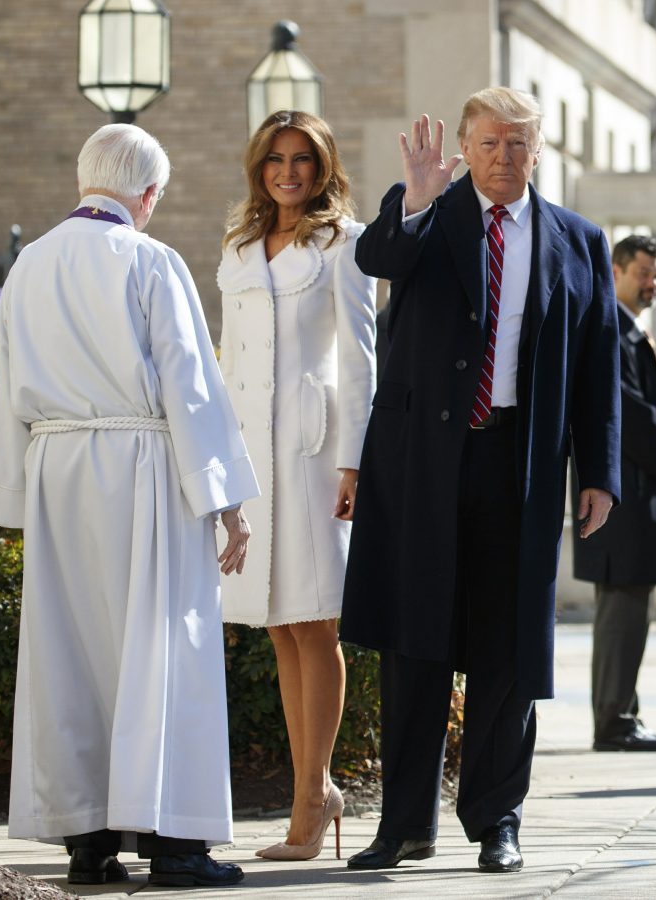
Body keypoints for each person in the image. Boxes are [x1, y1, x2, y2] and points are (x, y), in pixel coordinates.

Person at [340, 86, 621, 874]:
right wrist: (418, 203)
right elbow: (375, 260)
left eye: (518, 144)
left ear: (539, 151)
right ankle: (403, 826)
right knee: (415, 644)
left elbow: (599, 362)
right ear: (464, 147)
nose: (504, 158)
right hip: (422, 464)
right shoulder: (425, 212)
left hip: (518, 464)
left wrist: (597, 472)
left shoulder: (579, 241)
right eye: (489, 143)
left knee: (508, 653)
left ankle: (497, 818)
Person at [0, 123, 259, 889]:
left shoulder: (27, 266)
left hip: (56, 470)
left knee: (70, 656)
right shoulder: (150, 260)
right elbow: (191, 385)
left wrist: (14, 496)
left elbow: (8, 390)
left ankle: (88, 842)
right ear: (147, 193)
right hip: (143, 464)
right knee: (164, 648)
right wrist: (226, 500)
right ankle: (175, 844)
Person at [217, 110, 377, 861]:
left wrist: (354, 461)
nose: (289, 171)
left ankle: (311, 800)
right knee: (279, 626)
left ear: (322, 168)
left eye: (303, 159)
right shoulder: (239, 248)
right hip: (250, 454)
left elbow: (360, 357)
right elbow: (223, 360)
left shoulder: (341, 244)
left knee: (316, 621)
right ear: (260, 167)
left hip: (313, 456)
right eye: (276, 158)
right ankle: (314, 785)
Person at [573, 234, 656, 752]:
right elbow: (630, 411)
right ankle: (616, 723)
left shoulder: (626, 329)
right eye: (644, 272)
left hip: (633, 493)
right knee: (624, 612)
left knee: (624, 613)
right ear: (617, 271)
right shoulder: (610, 330)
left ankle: (619, 715)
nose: (653, 284)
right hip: (626, 496)